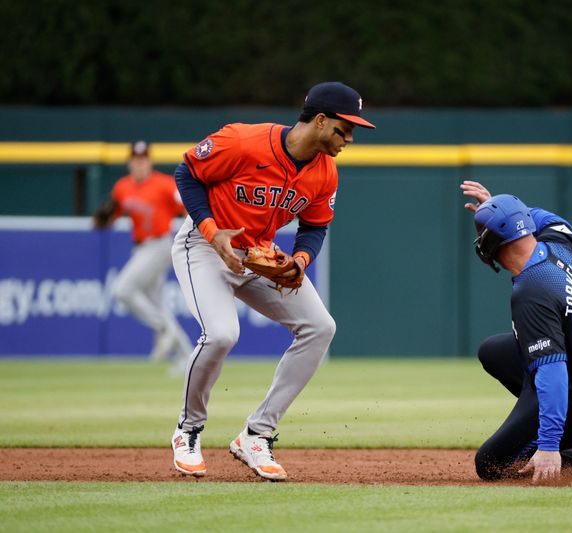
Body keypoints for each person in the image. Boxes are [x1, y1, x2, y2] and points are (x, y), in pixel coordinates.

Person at [169, 81, 376, 480]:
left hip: (257, 255)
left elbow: (314, 227)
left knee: (319, 327)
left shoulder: (326, 174)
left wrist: (299, 261)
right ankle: (188, 430)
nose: (349, 137)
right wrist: (213, 233)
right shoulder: (243, 141)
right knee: (221, 334)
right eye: (343, 128)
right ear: (319, 120)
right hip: (205, 246)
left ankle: (256, 435)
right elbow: (188, 173)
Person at [460, 180, 572, 484]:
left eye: (483, 232)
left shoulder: (533, 290)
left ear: (492, 241)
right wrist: (497, 208)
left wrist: (548, 445)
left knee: (490, 465)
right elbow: (528, 218)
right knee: (491, 351)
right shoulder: (559, 238)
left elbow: (553, 372)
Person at [93, 140, 193, 367]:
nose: (139, 164)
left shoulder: (165, 184)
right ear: (130, 163)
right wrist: (102, 220)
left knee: (122, 290)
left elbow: (188, 205)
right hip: (140, 247)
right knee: (157, 304)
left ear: (149, 161)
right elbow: (111, 214)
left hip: (159, 245)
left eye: (143, 159)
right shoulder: (122, 187)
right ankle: (187, 357)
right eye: (136, 160)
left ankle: (162, 328)